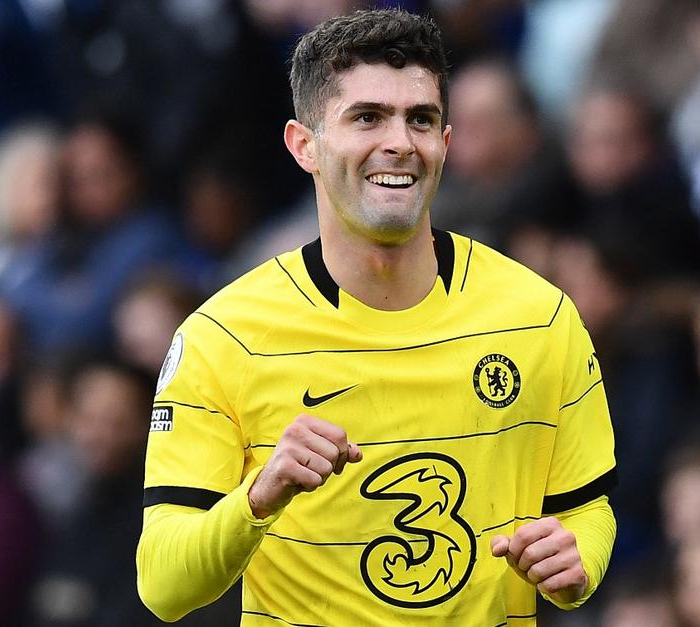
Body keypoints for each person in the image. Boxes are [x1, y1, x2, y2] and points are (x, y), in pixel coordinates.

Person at [136, 9, 618, 626]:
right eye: (367, 117)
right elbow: (164, 585)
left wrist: (577, 563)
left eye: (421, 119)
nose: (399, 142)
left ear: (445, 144)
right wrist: (256, 501)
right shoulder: (221, 338)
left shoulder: (540, 317)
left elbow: (588, 509)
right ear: (303, 145)